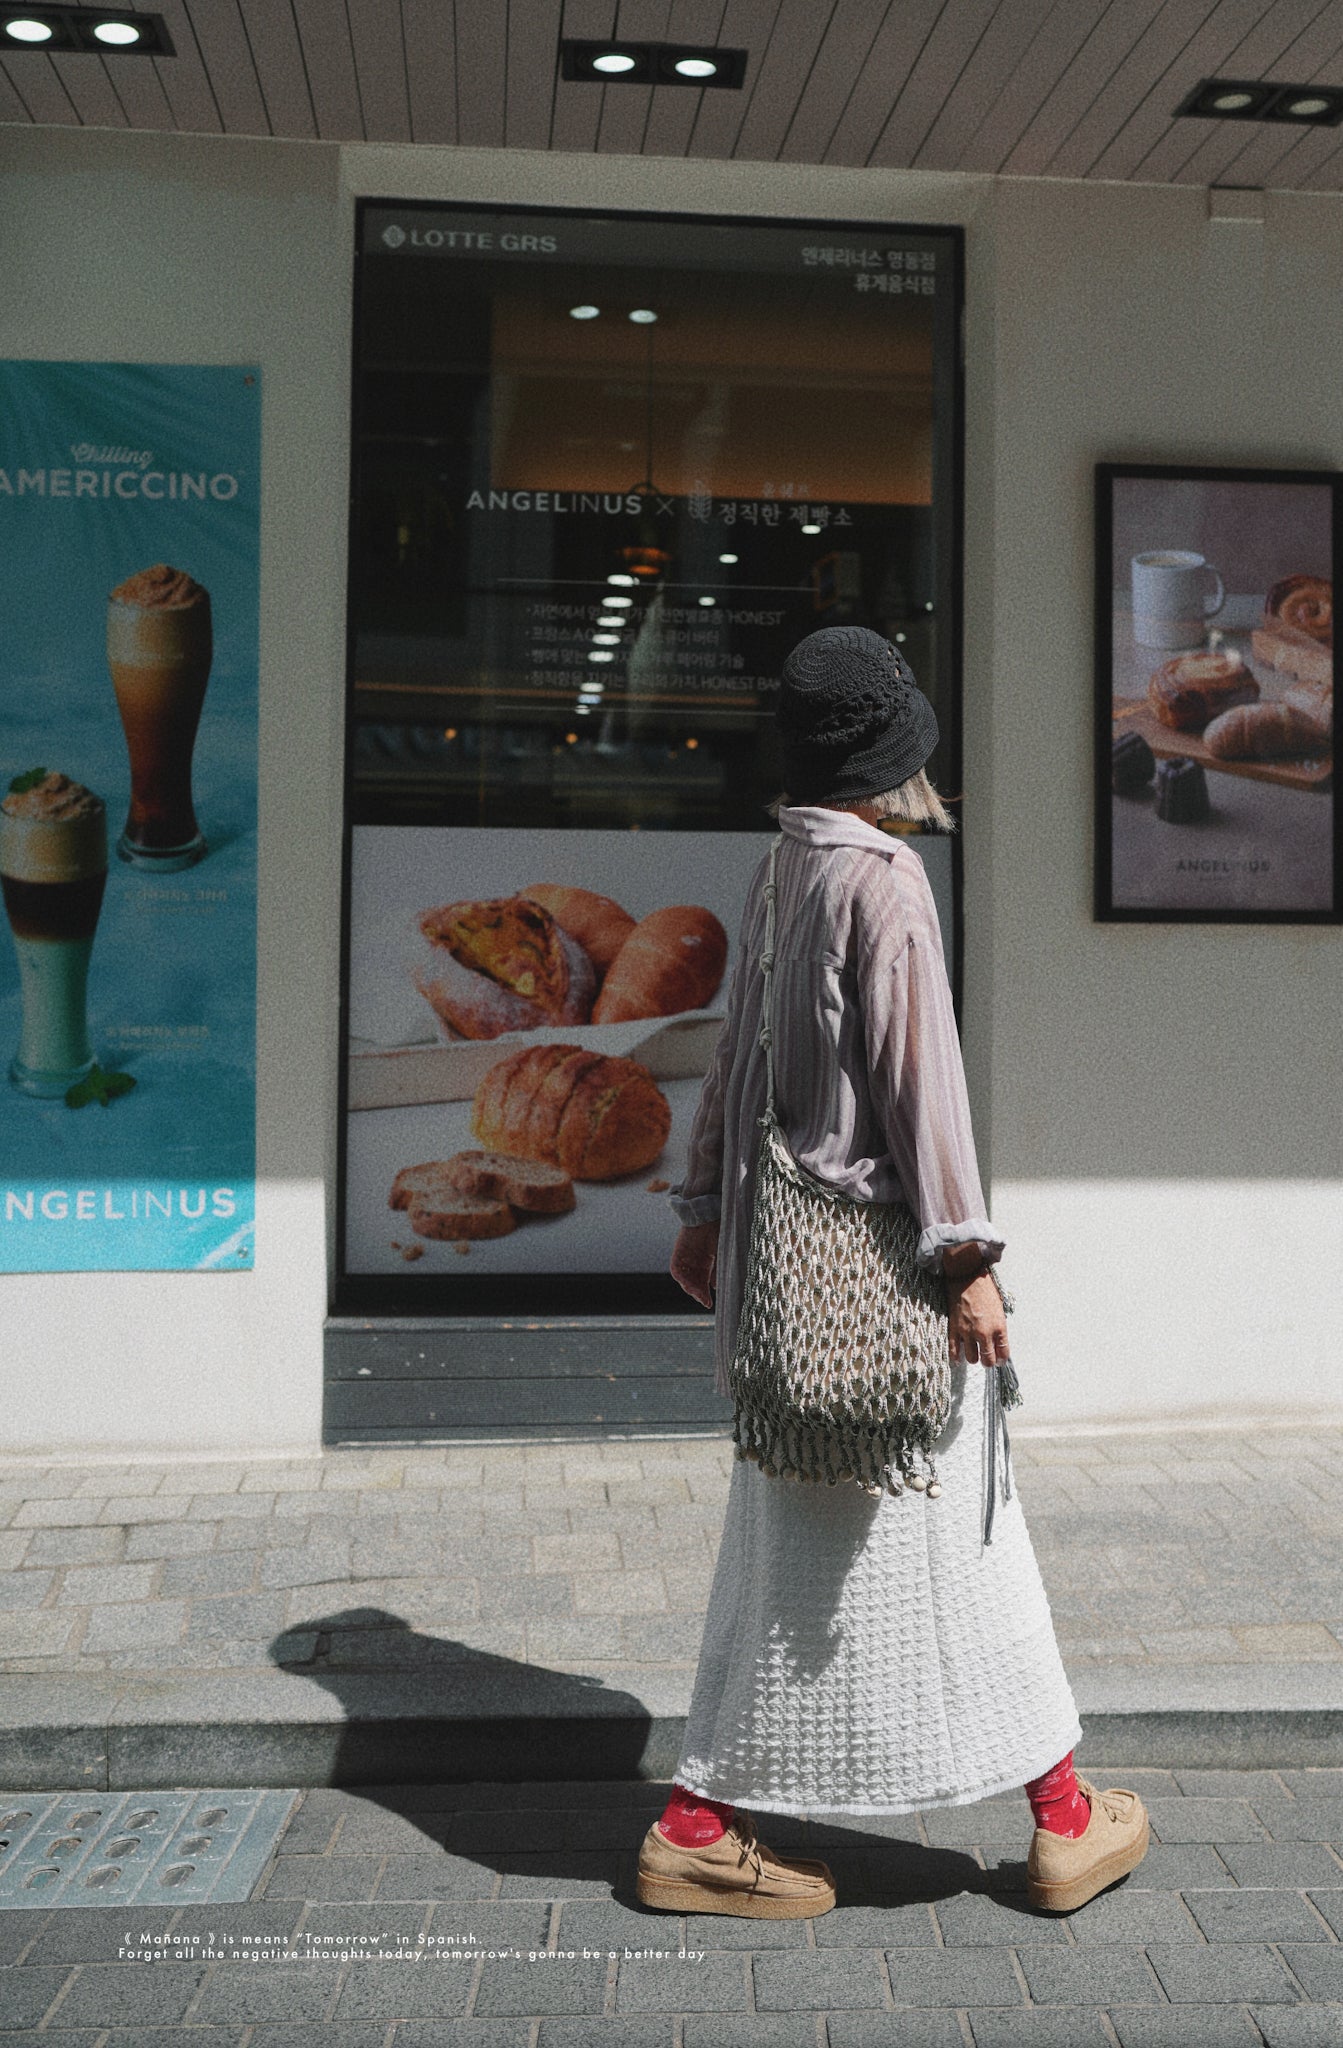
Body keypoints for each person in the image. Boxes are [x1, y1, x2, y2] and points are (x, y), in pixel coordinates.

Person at [636, 625, 1148, 1920]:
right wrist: (968, 1261)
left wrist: (701, 1212)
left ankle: (701, 1819)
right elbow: (930, 1097)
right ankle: (1064, 1818)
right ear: (896, 754)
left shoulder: (781, 867)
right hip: (884, 1292)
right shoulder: (889, 884)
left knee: (781, 1550)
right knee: (975, 1524)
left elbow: (736, 1056)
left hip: (783, 1288)